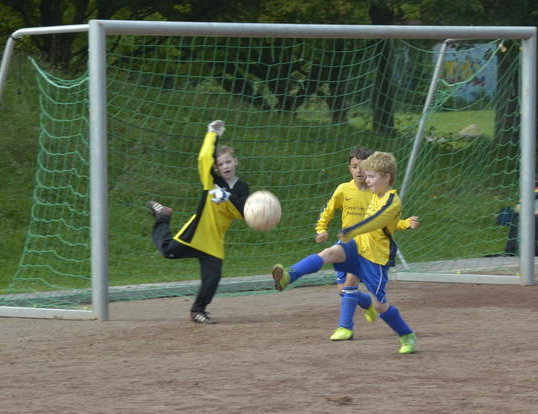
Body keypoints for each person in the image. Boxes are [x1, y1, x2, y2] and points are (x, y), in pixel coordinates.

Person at [271, 151, 417, 354]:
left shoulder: (392, 202)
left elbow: (378, 220)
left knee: (379, 305)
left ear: (386, 177)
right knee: (330, 253)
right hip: (357, 246)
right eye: (366, 174)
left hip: (376, 257)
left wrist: (352, 230)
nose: (366, 179)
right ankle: (288, 276)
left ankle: (406, 334)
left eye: (371, 175)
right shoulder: (370, 192)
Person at [146, 120, 250, 324]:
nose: (225, 166)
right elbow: (204, 158)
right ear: (216, 168)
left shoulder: (242, 187)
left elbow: (243, 213)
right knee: (168, 251)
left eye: (228, 162)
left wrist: (228, 197)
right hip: (197, 233)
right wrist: (213, 134)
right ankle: (163, 216)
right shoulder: (211, 182)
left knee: (213, 277)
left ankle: (198, 310)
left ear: (235, 162)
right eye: (220, 164)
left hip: (214, 241)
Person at [315, 147, 418, 341]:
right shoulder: (343, 190)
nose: (359, 171)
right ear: (349, 168)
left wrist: (405, 224)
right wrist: (321, 229)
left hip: (366, 247)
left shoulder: (377, 192)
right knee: (343, 291)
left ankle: (345, 328)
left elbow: (391, 221)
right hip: (345, 244)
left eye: (363, 167)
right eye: (355, 167)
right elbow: (327, 210)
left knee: (350, 284)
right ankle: (368, 304)